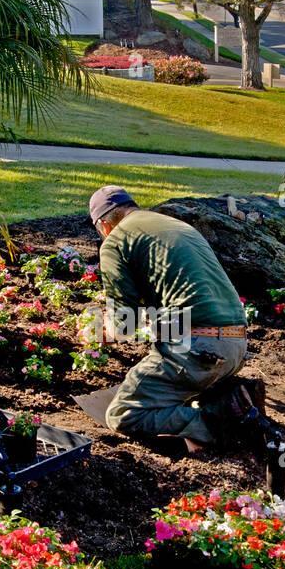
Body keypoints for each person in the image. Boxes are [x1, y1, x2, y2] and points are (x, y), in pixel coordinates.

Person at [87, 185, 258, 452]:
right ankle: (231, 396)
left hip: (201, 351)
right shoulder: (173, 226)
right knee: (182, 386)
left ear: (104, 227)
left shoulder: (115, 241)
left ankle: (219, 421)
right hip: (236, 348)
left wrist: (100, 327)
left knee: (122, 414)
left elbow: (123, 326)